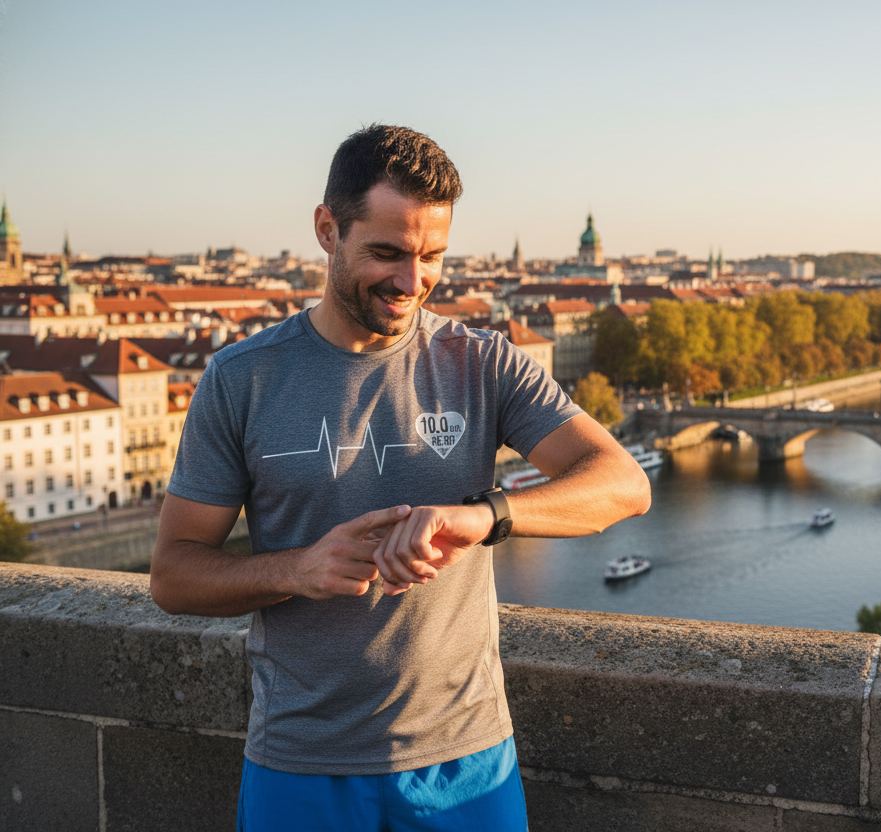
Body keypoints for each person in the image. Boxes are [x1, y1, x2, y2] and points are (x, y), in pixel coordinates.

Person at [150, 124, 651, 831]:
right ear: (328, 229)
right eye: (386, 253)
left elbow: (625, 484)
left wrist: (483, 517)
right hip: (300, 762)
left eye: (432, 256)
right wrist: (301, 568)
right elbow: (172, 576)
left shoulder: (482, 361)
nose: (411, 283)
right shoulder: (242, 379)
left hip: (467, 760)